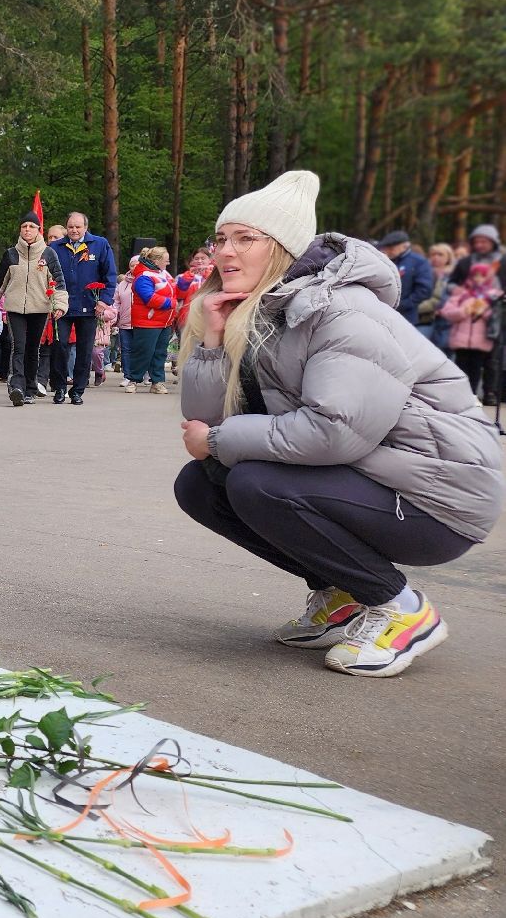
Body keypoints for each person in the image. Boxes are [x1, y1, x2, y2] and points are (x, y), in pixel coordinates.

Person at [174, 170, 503, 678]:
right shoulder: (259, 311)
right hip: (373, 479)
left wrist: (217, 440)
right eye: (220, 239)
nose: (225, 253)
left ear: (282, 248)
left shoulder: (341, 310)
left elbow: (334, 431)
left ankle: (402, 610)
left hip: (439, 498)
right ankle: (342, 596)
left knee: (255, 482)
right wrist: (213, 342)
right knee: (199, 485)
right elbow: (203, 418)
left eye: (245, 238)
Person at [0, 207, 67, 406]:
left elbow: (58, 282)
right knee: (18, 346)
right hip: (15, 308)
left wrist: (60, 305)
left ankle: (30, 388)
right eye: (24, 226)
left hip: (39, 308)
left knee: (33, 348)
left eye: (31, 226)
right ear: (20, 230)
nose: (27, 229)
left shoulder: (48, 254)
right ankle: (16, 386)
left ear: (38, 230)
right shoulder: (10, 254)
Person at [45, 211, 118, 405]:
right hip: (62, 307)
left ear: (85, 227)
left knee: (85, 351)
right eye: (70, 227)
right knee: (59, 348)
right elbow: (46, 275)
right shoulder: (55, 247)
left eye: (78, 227)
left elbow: (110, 275)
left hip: (89, 307)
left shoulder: (100, 244)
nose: (74, 230)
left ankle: (77, 390)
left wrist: (104, 300)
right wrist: (51, 299)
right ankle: (59, 388)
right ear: (66, 228)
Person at [444, 262, 499, 394]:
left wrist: (484, 312)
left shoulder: (493, 295)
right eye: (475, 275)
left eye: (482, 276)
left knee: (476, 369)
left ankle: (472, 394)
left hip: (481, 341)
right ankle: (459, 395)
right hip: (461, 340)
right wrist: (463, 311)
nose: (478, 279)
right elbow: (447, 311)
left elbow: (497, 317)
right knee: (460, 369)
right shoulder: (461, 293)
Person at [125, 248, 176, 393]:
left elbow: (175, 290)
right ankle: (133, 380)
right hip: (147, 322)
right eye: (166, 260)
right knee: (143, 351)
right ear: (156, 261)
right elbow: (149, 298)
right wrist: (172, 303)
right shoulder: (143, 276)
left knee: (160, 353)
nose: (168, 263)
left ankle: (157, 382)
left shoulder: (163, 273)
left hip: (164, 321)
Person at [377, 230, 434, 330]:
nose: (388, 251)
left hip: (406, 317)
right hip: (383, 315)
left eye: (391, 248)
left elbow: (424, 290)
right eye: (386, 248)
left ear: (405, 246)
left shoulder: (418, 262)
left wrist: (402, 305)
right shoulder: (385, 261)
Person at [418, 242, 456, 351]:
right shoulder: (422, 272)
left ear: (448, 258)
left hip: (446, 320)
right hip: (424, 317)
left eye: (440, 254)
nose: (436, 257)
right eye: (433, 254)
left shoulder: (454, 274)